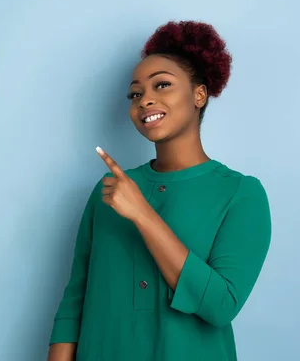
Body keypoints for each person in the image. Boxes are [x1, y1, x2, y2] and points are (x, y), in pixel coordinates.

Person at [46, 20, 272, 361]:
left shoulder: (242, 194)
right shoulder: (110, 190)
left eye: (161, 85)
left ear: (199, 94)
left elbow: (221, 306)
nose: (145, 100)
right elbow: (75, 298)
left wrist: (142, 213)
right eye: (136, 94)